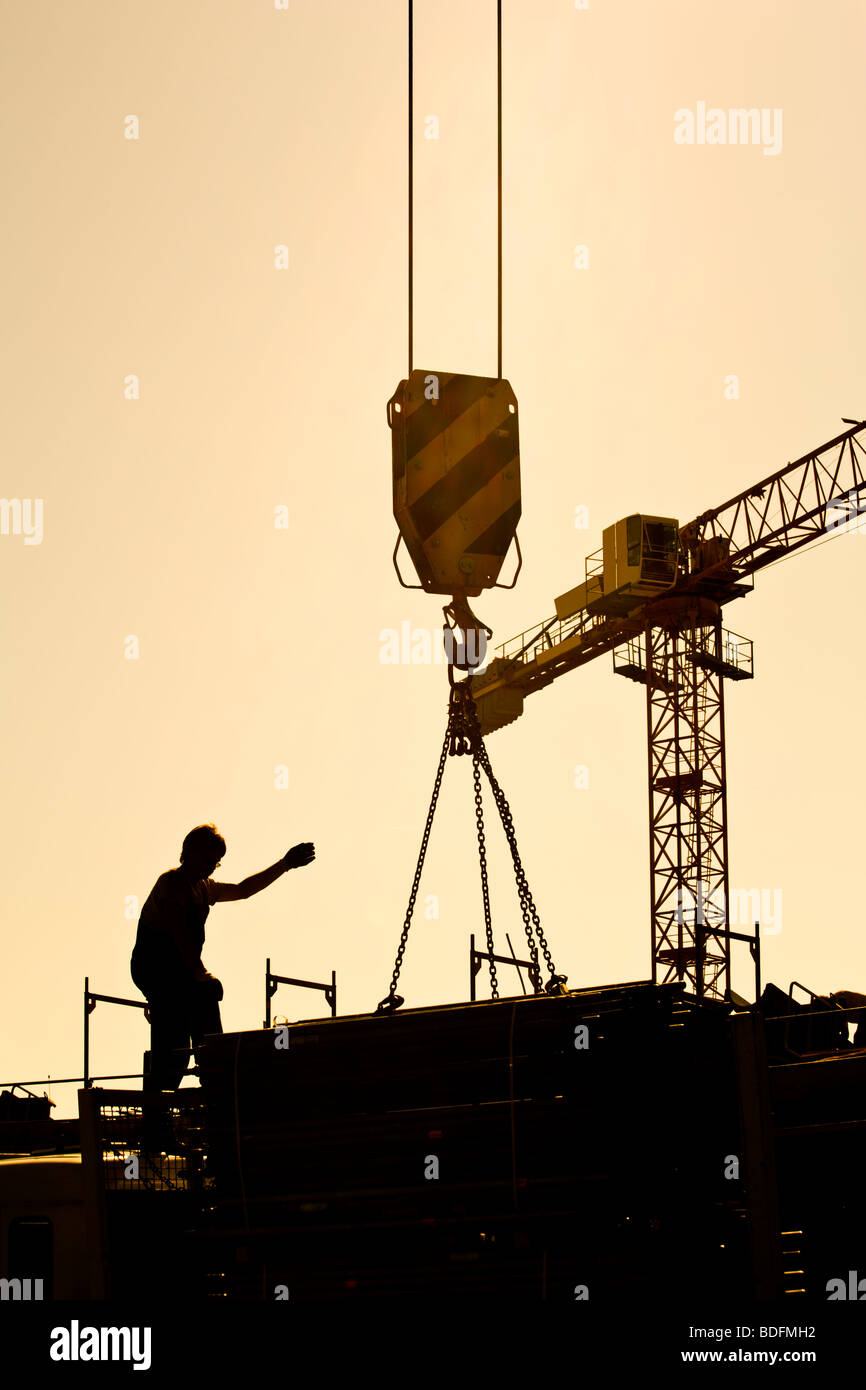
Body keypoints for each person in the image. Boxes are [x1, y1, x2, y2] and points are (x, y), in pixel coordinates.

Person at [131, 823, 315, 1093]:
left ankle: (214, 1081)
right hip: (157, 970)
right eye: (210, 859)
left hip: (183, 972)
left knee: (207, 1033)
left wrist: (285, 864)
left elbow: (243, 889)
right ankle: (159, 1109)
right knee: (175, 1044)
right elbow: (178, 933)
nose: (213, 866)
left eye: (217, 862)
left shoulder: (205, 888)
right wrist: (202, 974)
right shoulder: (172, 884)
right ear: (191, 853)